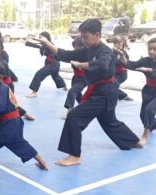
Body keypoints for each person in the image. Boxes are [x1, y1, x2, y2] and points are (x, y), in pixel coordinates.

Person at [34, 19, 141, 166]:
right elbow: (65, 54)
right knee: (109, 122)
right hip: (99, 91)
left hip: (105, 93)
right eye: (82, 37)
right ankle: (132, 141)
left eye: (86, 37)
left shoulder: (105, 51)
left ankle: (74, 156)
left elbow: (102, 65)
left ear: (97, 34)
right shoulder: (87, 50)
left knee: (74, 116)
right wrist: (47, 43)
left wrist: (81, 65)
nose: (83, 40)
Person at [118, 38, 156, 146]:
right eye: (150, 49)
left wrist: (150, 70)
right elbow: (131, 65)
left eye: (154, 49)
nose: (151, 51)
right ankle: (151, 125)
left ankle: (145, 136)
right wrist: (122, 55)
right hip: (149, 90)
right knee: (143, 115)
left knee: (149, 111)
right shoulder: (145, 60)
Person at [26, 31, 67, 98]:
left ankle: (34, 92)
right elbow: (37, 45)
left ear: (45, 38)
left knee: (39, 74)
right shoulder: (44, 45)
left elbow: (55, 51)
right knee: (55, 75)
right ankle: (64, 86)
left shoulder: (50, 44)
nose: (39, 38)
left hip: (53, 63)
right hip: (52, 63)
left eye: (41, 37)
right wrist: (30, 41)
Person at [61, 37, 87, 119]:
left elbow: (79, 67)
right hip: (75, 78)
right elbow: (65, 56)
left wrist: (71, 61)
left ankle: (70, 112)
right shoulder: (74, 54)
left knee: (72, 92)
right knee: (78, 96)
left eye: (77, 46)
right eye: (74, 46)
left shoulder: (85, 55)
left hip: (84, 78)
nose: (75, 48)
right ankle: (85, 108)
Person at [112, 36, 133, 101]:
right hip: (114, 73)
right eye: (115, 43)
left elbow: (124, 62)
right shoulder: (112, 52)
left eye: (118, 42)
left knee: (112, 86)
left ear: (122, 43)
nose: (116, 44)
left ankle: (123, 95)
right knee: (108, 85)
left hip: (121, 74)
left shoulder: (123, 53)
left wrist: (119, 55)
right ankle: (120, 95)